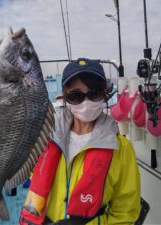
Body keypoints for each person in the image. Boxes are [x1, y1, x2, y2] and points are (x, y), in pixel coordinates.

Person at [20, 58, 141, 225]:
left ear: (105, 94)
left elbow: (125, 213)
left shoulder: (122, 149)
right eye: (76, 96)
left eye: (94, 94)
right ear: (65, 96)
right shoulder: (45, 136)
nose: (86, 102)